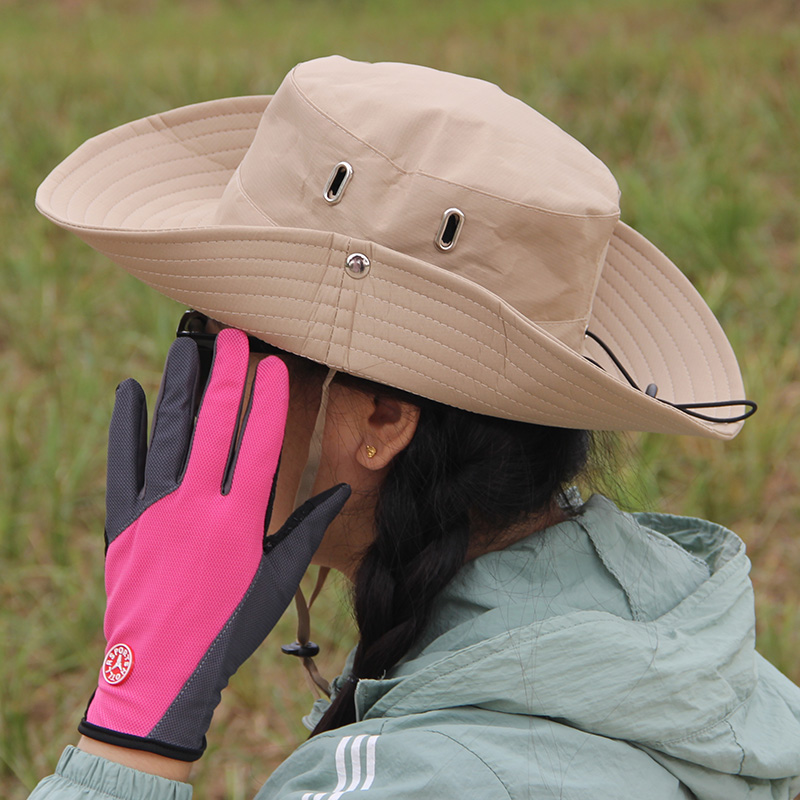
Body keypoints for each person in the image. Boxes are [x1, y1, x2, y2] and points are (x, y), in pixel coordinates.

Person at [28, 56, 800, 799]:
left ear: (383, 418)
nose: (193, 391)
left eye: (222, 345)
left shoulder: (405, 779)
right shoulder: (703, 664)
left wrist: (133, 726)